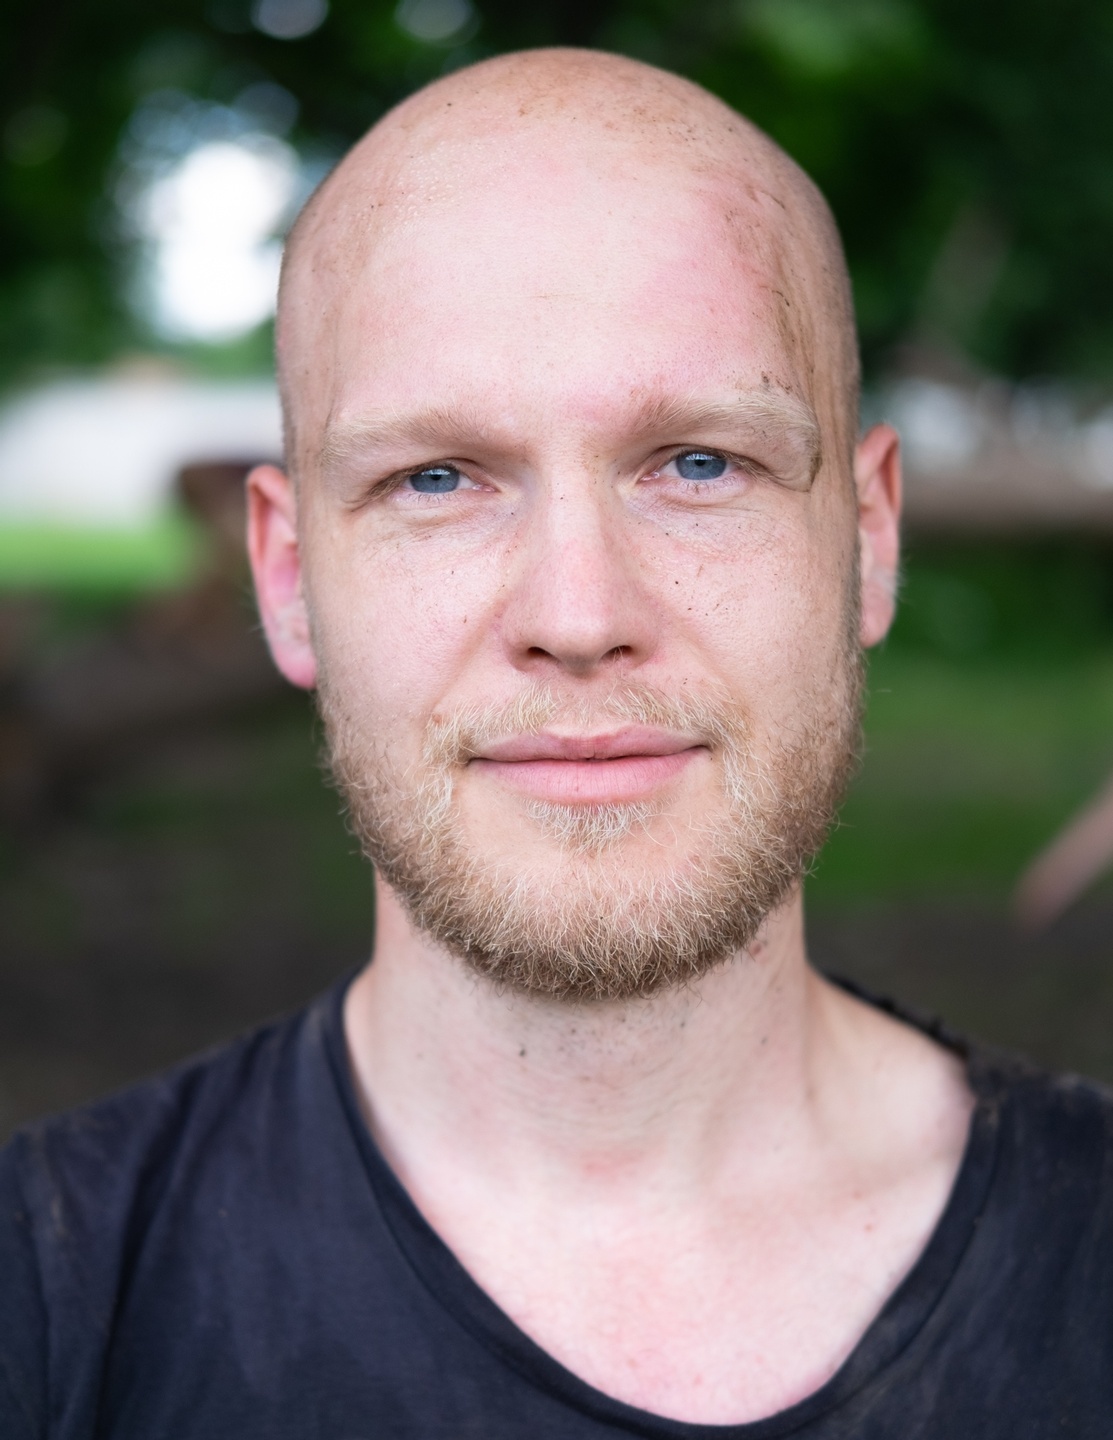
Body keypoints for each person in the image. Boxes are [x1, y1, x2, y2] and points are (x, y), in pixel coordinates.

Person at [2, 48, 1111, 1439]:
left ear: (867, 540)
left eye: (700, 463)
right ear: (284, 579)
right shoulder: (41, 1309)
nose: (578, 618)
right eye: (435, 479)